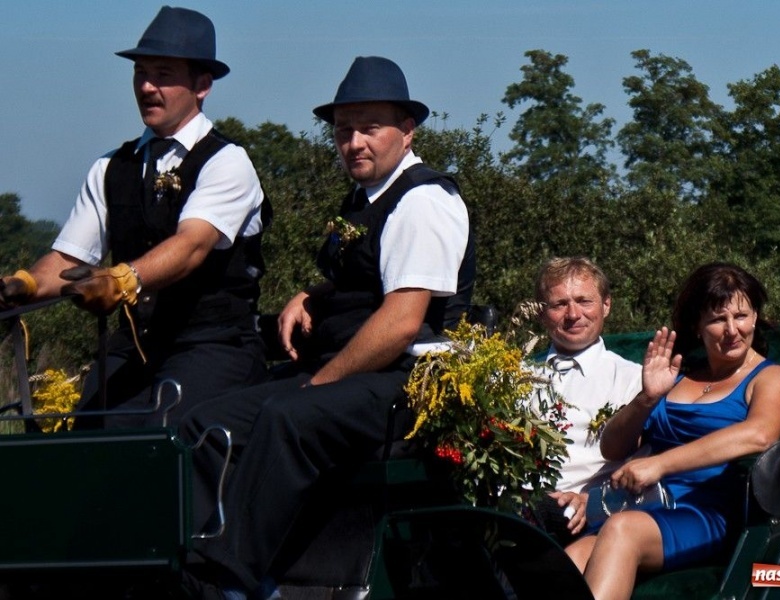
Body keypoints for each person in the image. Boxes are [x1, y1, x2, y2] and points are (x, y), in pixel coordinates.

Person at [179, 56, 475, 599]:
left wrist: (321, 382)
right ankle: (194, 564)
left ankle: (233, 581)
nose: (354, 143)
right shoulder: (366, 199)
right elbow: (368, 277)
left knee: (288, 417)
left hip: (409, 383)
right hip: (359, 374)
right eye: (343, 130)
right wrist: (315, 293)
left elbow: (401, 323)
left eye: (370, 128)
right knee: (206, 422)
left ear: (407, 131)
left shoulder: (425, 200)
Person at [0, 6, 270, 429]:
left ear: (202, 86)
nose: (146, 86)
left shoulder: (227, 162)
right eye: (140, 73)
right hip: (136, 346)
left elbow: (191, 245)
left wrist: (123, 279)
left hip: (214, 345)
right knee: (88, 436)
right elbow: (69, 259)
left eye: (163, 74)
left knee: (162, 437)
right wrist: (25, 285)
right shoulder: (111, 167)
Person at [566, 262, 780, 600]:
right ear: (697, 326)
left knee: (621, 530)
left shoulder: (771, 377)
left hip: (711, 511)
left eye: (741, 316)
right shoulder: (679, 377)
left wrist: (660, 464)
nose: (732, 330)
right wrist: (647, 398)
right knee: (570, 559)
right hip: (647, 505)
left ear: (755, 317)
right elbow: (612, 448)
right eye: (717, 319)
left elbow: (759, 434)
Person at [530, 257, 642, 539]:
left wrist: (590, 500)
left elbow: (643, 462)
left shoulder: (633, 380)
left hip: (576, 517)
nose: (573, 314)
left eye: (584, 301)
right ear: (542, 313)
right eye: (559, 304)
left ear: (606, 305)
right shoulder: (516, 376)